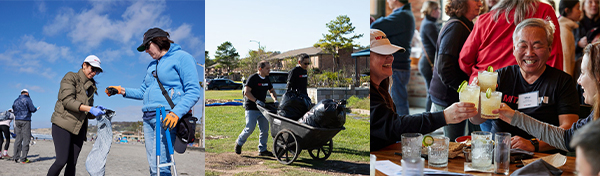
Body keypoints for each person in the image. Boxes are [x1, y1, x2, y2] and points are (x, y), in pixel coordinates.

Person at [469, 18, 579, 153]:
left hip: (544, 158)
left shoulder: (562, 81)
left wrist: (534, 144)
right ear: (514, 49)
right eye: (523, 46)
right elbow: (476, 119)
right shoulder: (500, 77)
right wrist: (477, 98)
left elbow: (569, 129)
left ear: (549, 49)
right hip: (501, 155)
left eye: (537, 46)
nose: (529, 53)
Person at [105, 27, 201, 176]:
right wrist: (121, 90)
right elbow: (143, 92)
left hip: (166, 116)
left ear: (158, 41)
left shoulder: (182, 57)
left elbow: (194, 91)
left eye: (147, 46)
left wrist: (176, 113)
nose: (146, 51)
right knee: (153, 163)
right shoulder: (152, 65)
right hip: (148, 117)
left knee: (161, 164)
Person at [459, 0, 563, 132]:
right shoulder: (544, 10)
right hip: (531, 96)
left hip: (489, 94)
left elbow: (464, 60)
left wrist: (480, 76)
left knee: (493, 146)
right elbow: (555, 55)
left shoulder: (485, 19)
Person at [370, 29, 478, 151]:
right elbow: (393, 126)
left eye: (390, 53)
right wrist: (444, 116)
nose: (391, 58)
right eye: (382, 53)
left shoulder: (381, 89)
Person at [490, 42, 600, 153]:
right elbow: (566, 138)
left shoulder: (562, 81)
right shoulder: (595, 114)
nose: (579, 80)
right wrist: (515, 118)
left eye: (583, 73)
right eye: (523, 46)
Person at [429, 0, 482, 142]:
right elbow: (444, 68)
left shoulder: (465, 24)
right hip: (449, 95)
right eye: (476, 0)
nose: (480, 3)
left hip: (455, 93)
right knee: (453, 144)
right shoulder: (456, 26)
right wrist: (467, 90)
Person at [46, 55, 106, 175]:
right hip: (63, 125)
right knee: (61, 161)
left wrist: (97, 112)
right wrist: (90, 108)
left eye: (96, 71)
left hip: (79, 128)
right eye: (92, 69)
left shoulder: (91, 87)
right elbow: (67, 101)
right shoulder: (70, 77)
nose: (94, 73)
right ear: (84, 65)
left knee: (72, 163)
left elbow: (87, 113)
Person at [370, 0, 415, 115]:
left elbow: (375, 27)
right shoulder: (404, 14)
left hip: (397, 67)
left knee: (398, 104)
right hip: (400, 65)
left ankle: (405, 132)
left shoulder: (402, 16)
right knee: (398, 102)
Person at [235, 60, 277, 157]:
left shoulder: (267, 79)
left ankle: (262, 150)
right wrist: (256, 100)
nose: (269, 70)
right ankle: (239, 142)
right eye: (267, 68)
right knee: (250, 128)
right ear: (260, 69)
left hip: (262, 108)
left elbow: (271, 90)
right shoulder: (253, 78)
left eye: (269, 68)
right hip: (251, 107)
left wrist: (275, 99)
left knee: (265, 129)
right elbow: (246, 92)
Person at [418, 0, 440, 112]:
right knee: (431, 93)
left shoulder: (426, 23)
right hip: (428, 64)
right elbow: (439, 44)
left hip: (426, 62)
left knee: (431, 93)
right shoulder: (429, 25)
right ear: (432, 11)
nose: (440, 12)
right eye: (438, 9)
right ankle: (427, 122)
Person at [12, 89, 38, 164]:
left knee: (18, 139)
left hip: (17, 120)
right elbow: (32, 109)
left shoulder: (16, 100)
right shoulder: (27, 99)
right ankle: (23, 158)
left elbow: (14, 109)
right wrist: (36, 109)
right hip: (25, 120)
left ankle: (15, 157)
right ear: (27, 93)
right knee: (26, 139)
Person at [559, 0, 583, 76]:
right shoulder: (564, 31)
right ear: (567, 10)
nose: (580, 11)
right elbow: (565, 62)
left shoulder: (567, 28)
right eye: (578, 8)